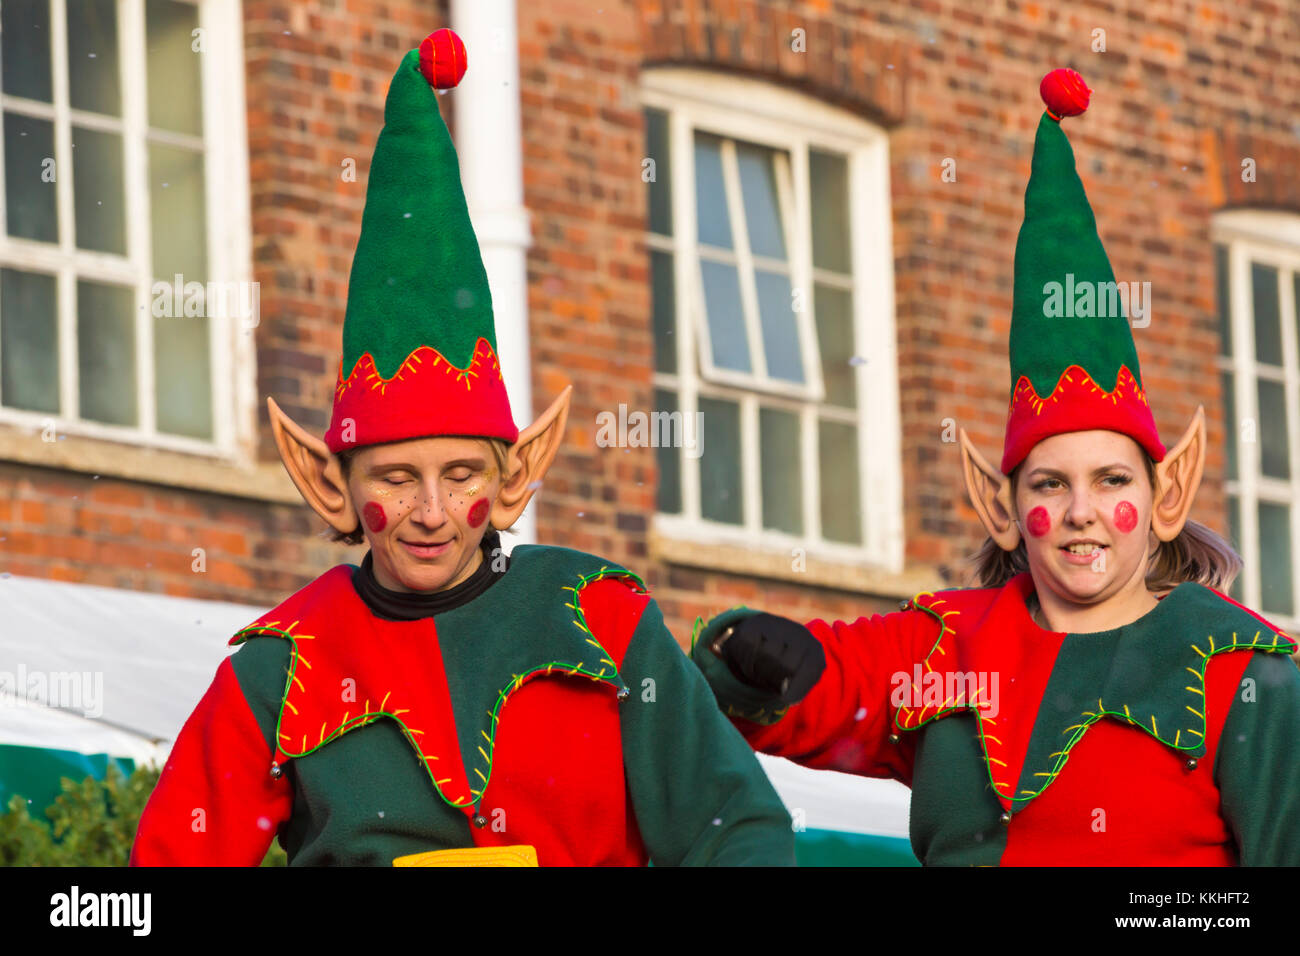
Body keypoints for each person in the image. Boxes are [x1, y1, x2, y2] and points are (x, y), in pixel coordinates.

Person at [129, 29, 794, 867]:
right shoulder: (280, 666)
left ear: (514, 478)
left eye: (462, 474)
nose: (434, 512)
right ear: (331, 487)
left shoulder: (601, 617)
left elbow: (735, 825)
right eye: (398, 478)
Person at [688, 69, 1300, 866]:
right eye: (1050, 484)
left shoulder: (1247, 671)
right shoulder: (944, 649)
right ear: (1002, 506)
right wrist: (753, 654)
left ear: (1166, 494)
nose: (1081, 509)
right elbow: (821, 690)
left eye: (1113, 481)